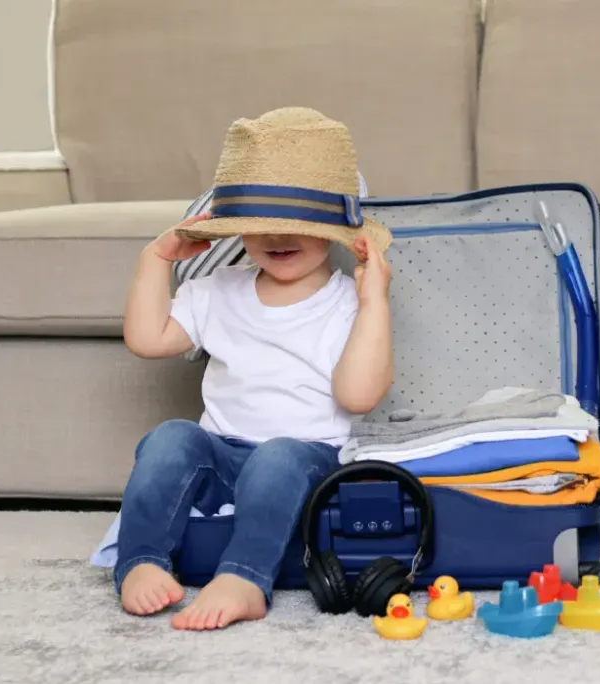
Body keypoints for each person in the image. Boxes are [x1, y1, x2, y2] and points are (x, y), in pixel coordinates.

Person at [115, 106, 394, 630]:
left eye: (295, 224)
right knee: (170, 438)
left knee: (278, 456)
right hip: (223, 453)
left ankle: (244, 577)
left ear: (336, 228)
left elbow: (358, 396)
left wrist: (375, 300)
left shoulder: (346, 305)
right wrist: (156, 260)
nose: (274, 236)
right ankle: (140, 560)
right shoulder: (217, 291)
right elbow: (147, 339)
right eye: (255, 224)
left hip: (307, 461)